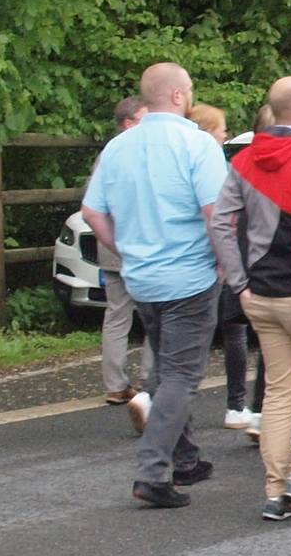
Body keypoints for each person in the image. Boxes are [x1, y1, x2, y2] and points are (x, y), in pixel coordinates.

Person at [81, 63, 232, 508]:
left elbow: (92, 212)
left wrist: (124, 249)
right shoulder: (198, 144)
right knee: (183, 376)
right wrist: (225, 265)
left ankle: (186, 458)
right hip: (188, 275)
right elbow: (215, 213)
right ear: (182, 95)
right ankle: (153, 470)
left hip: (142, 276)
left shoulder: (118, 147)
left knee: (166, 369)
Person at [209, 77, 291, 522]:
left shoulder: (244, 160)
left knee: (278, 393)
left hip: (260, 294)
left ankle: (274, 491)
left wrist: (238, 283)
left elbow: (221, 223)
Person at [189, 102, 263, 436]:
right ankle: (243, 406)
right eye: (221, 128)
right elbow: (218, 216)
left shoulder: (233, 162)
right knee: (242, 334)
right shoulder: (215, 163)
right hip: (228, 259)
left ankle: (154, 395)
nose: (225, 134)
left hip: (198, 261)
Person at [86, 96, 151, 431]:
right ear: (128, 123)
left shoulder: (106, 156)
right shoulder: (133, 153)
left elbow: (91, 201)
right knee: (154, 314)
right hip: (139, 246)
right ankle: (150, 382)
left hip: (112, 246)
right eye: (144, 119)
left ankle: (115, 384)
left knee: (116, 316)